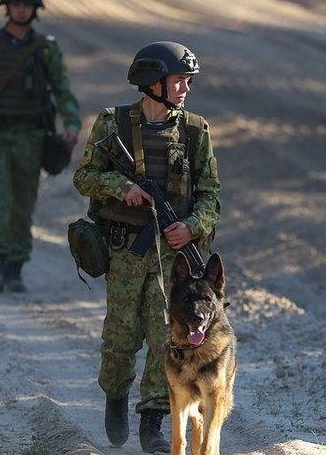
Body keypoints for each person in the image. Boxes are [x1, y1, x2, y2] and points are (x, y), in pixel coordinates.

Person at [72, 41, 221, 452]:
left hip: (172, 258)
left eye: (188, 81)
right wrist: (124, 188)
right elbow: (83, 178)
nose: (186, 88)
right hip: (123, 251)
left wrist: (191, 227)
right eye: (179, 80)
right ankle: (116, 397)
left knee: (167, 338)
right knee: (120, 338)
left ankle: (153, 422)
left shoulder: (194, 130)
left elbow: (211, 195)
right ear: (153, 82)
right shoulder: (112, 123)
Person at [0, 0, 80, 293]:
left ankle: (16, 267)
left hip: (32, 136)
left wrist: (71, 123)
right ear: (7, 6)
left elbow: (62, 88)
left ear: (35, 8)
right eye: (16, 4)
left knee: (23, 202)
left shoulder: (46, 49)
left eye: (27, 4)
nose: (21, 9)